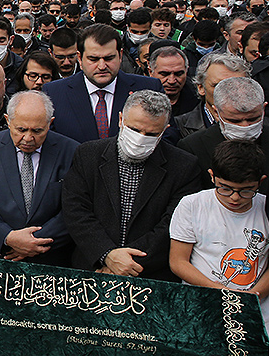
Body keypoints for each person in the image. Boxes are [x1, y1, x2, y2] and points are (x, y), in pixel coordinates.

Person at [170, 140, 269, 356]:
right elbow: (179, 261)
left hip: (256, 325)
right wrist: (215, 289)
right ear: (212, 176)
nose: (235, 198)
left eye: (246, 191)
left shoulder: (268, 208)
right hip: (202, 322)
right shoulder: (193, 205)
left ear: (260, 184)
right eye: (225, 188)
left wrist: (254, 294)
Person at [62, 90, 202, 280]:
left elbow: (170, 225)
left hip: (149, 275)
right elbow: (76, 211)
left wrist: (127, 263)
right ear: (121, 119)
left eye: (151, 134)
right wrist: (107, 255)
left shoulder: (184, 166)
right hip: (93, 269)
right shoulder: (88, 154)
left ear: (165, 129)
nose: (141, 138)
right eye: (135, 130)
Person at [0, 90, 78, 266]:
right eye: (21, 129)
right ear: (8, 120)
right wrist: (8, 238)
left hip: (49, 258)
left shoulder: (70, 151)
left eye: (37, 131)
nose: (28, 138)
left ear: (50, 124)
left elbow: (74, 209)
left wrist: (32, 243)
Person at [43, 24, 164, 143]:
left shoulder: (149, 88)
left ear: (120, 55)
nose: (102, 66)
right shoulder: (54, 93)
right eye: (93, 59)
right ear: (79, 58)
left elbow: (167, 136)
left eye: (109, 58)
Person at [179, 77, 269, 188]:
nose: (245, 126)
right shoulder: (192, 147)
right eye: (234, 121)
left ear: (263, 109)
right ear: (216, 112)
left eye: (253, 119)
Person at [174, 53, 249, 139]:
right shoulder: (179, 127)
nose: (229, 93)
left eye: (236, 87)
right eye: (218, 86)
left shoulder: (264, 126)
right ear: (201, 88)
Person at [147, 45, 200, 118]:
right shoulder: (138, 100)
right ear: (150, 72)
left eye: (178, 74)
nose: (171, 81)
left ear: (186, 71)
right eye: (164, 74)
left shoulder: (198, 100)